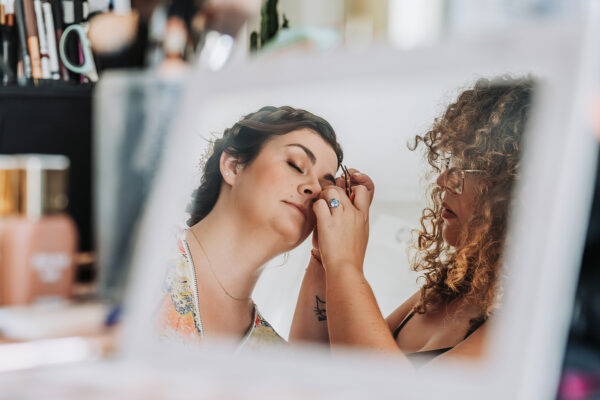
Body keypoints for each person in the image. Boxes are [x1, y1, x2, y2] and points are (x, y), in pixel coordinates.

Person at [290, 77, 534, 366]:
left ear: (512, 190)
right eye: (448, 163)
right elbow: (314, 369)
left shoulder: (522, 326)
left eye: (465, 168)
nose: (443, 180)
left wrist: (345, 261)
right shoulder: (444, 290)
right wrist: (324, 257)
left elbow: (377, 390)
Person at [156, 105, 344, 348]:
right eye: (296, 165)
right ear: (234, 166)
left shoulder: (273, 354)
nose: (313, 189)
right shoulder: (146, 251)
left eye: (324, 188)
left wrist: (327, 256)